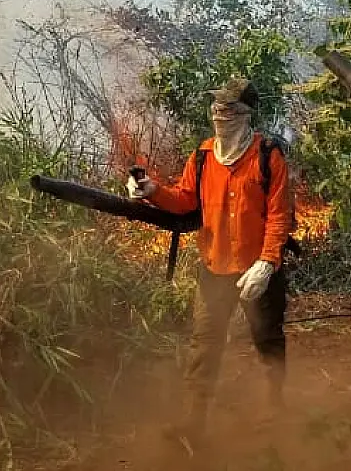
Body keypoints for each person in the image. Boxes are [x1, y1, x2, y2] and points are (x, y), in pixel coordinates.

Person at [126, 75, 296, 446]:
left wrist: (267, 264)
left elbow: (279, 215)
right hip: (214, 266)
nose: (220, 114)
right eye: (217, 107)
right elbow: (186, 199)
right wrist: (152, 191)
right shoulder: (203, 156)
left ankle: (274, 410)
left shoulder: (268, 156)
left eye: (229, 108)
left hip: (257, 269)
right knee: (204, 343)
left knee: (267, 338)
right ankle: (193, 421)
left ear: (246, 114)